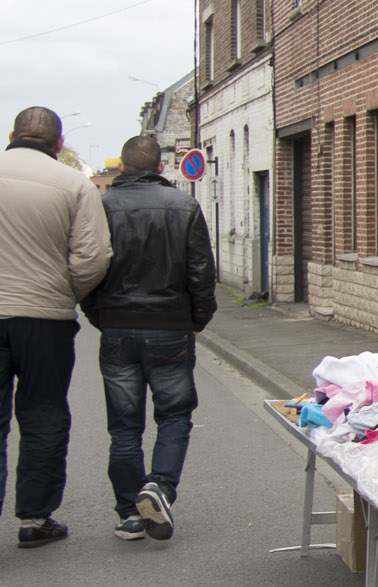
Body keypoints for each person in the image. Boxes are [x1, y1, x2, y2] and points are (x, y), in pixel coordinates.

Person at [83, 135, 217, 542]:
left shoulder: (101, 208)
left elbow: (88, 268)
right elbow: (201, 273)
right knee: (174, 415)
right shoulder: (185, 206)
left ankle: (129, 513)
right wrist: (196, 319)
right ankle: (158, 487)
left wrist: (99, 315)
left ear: (121, 168)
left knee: (124, 427)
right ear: (161, 168)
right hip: (170, 327)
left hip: (118, 328)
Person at [0, 107, 111, 547]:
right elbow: (94, 257)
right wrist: (64, 292)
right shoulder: (74, 185)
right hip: (44, 319)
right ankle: (35, 518)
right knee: (44, 414)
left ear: (12, 135)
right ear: (58, 144)